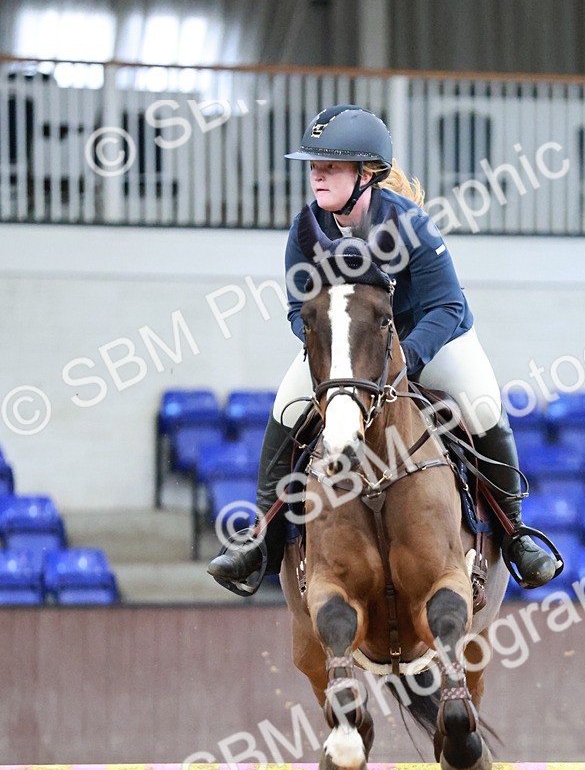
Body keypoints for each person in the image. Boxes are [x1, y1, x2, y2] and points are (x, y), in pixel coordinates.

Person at [208, 104, 558, 594]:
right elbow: (296, 310)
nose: (317, 176)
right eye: (314, 166)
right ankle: (262, 539)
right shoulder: (306, 231)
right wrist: (334, 351)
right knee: (286, 409)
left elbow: (447, 307)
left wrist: (403, 361)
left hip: (432, 341)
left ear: (367, 173)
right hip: (347, 351)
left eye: (331, 166)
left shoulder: (410, 225)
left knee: (482, 407)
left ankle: (516, 532)